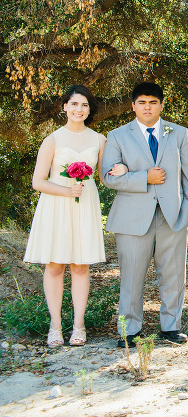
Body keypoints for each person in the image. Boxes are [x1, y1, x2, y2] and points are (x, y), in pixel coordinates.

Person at [24, 85, 121, 347]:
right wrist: (66, 191)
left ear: (90, 110)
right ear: (64, 106)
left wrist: (120, 170)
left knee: (80, 265)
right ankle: (55, 326)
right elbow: (38, 181)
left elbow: (103, 177)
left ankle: (79, 326)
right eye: (75, 104)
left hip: (85, 203)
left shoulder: (99, 140)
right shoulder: (52, 140)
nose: (79, 109)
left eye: (85, 105)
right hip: (56, 205)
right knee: (55, 265)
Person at [102, 82, 188, 347]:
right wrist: (145, 177)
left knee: (174, 273)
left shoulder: (178, 133)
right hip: (132, 217)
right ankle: (130, 330)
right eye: (142, 102)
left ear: (161, 105)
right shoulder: (117, 136)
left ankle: (171, 327)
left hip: (173, 215)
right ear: (133, 106)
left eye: (153, 102)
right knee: (132, 275)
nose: (147, 107)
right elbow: (108, 176)